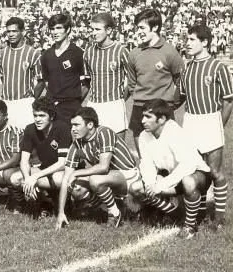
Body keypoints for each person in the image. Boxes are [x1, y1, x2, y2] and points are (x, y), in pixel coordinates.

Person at [130, 99, 211, 239]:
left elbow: (187, 165)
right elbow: (146, 164)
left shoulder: (174, 131)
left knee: (188, 182)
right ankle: (175, 214)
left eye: (148, 117)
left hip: (196, 174)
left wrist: (160, 185)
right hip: (172, 177)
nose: (143, 120)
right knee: (135, 188)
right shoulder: (144, 136)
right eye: (143, 116)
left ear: (161, 119)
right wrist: (150, 184)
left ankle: (190, 226)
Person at [180, 24, 233, 230]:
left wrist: (219, 124)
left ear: (205, 42)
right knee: (195, 169)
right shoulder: (187, 68)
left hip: (211, 120)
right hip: (191, 121)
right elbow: (181, 98)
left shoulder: (217, 66)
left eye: (192, 40)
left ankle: (219, 219)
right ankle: (199, 211)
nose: (188, 43)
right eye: (187, 39)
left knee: (215, 171)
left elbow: (228, 100)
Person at [55, 107, 138, 230]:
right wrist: (61, 212)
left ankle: (115, 213)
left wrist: (77, 173)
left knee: (95, 179)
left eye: (77, 125)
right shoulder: (76, 144)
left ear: (90, 125)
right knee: (74, 186)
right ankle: (111, 207)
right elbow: (66, 178)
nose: (73, 129)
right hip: (107, 177)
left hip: (128, 176)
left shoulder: (104, 133)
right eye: (72, 125)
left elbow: (103, 167)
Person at [126, 9, 184, 155]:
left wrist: (171, 105)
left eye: (142, 28)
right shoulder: (134, 53)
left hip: (162, 109)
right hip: (139, 108)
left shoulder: (170, 52)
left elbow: (182, 83)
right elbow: (132, 84)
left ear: (155, 27)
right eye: (137, 28)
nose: (138, 31)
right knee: (144, 160)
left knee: (166, 159)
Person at [10, 97, 71, 214]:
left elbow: (62, 163)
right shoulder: (30, 129)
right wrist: (28, 178)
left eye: (42, 116)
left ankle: (67, 203)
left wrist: (35, 177)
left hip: (64, 170)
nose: (37, 119)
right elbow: (24, 161)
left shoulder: (62, 128)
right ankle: (41, 202)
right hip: (45, 168)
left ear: (51, 116)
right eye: (35, 115)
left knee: (58, 179)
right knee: (16, 178)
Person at [83, 13, 130, 141]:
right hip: (94, 104)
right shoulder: (88, 52)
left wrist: (121, 99)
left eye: (97, 29)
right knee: (94, 147)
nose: (93, 33)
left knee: (118, 147)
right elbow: (87, 80)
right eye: (92, 29)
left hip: (114, 105)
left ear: (109, 30)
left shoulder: (121, 51)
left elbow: (131, 80)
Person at [35, 14, 87, 123]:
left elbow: (86, 85)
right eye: (52, 29)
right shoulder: (46, 55)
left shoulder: (78, 53)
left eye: (59, 28)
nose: (54, 32)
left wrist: (73, 101)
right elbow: (47, 83)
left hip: (71, 108)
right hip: (52, 108)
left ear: (68, 30)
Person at [0, 17, 40, 129]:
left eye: (14, 31)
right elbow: (3, 77)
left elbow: (41, 80)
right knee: (8, 138)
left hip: (25, 103)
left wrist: (32, 97)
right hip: (6, 102)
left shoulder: (33, 53)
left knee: (25, 139)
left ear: (23, 32)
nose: (11, 34)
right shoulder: (1, 54)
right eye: (8, 31)